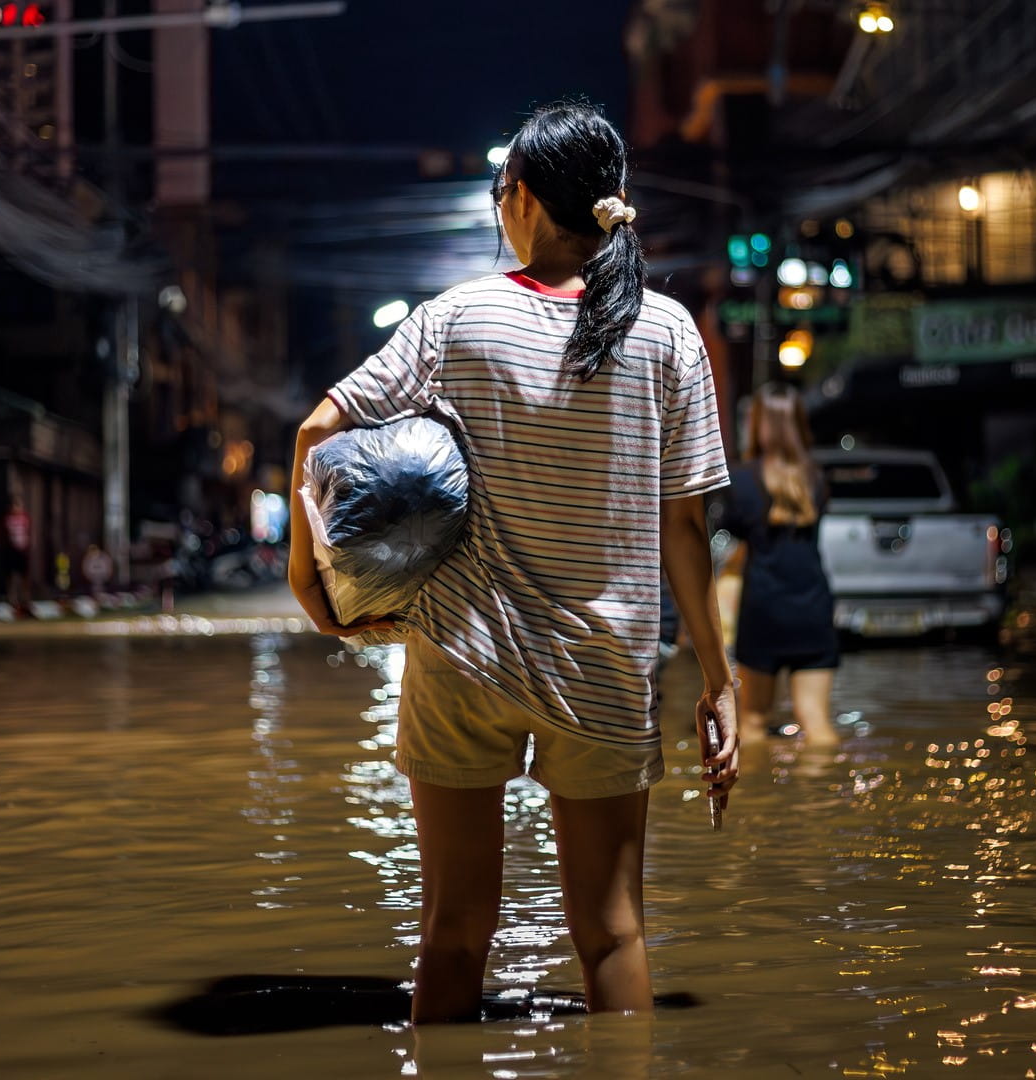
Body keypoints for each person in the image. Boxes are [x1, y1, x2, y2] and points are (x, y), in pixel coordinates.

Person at [287, 102, 739, 1023]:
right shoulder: (668, 332)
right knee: (613, 933)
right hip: (606, 669)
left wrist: (313, 584)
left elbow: (316, 431)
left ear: (524, 200)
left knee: (453, 931)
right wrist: (719, 681)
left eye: (502, 193)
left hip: (462, 655)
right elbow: (684, 532)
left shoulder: (458, 317)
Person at [717, 383, 840, 746]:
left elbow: (732, 533)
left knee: (753, 720)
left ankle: (757, 800)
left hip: (764, 608)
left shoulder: (740, 481)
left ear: (757, 423)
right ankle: (825, 799)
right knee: (815, 720)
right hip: (813, 606)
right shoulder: (816, 479)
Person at [2, 494, 33, 608]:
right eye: (15, 505)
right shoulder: (7, 519)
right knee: (11, 575)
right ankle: (11, 597)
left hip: (23, 550)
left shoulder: (25, 518)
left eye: (19, 505)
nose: (17, 508)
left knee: (24, 576)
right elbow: (3, 535)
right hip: (11, 550)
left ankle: (25, 598)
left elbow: (28, 533)